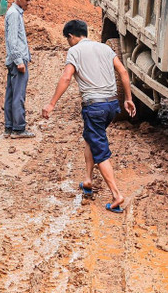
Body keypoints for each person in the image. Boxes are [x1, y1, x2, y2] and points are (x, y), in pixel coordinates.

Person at [42, 19, 136, 213]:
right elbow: (123, 72)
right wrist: (128, 98)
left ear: (71, 36)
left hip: (94, 107)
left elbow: (66, 77)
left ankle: (116, 195)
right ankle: (88, 179)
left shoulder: (74, 51)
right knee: (90, 138)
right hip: (111, 105)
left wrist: (51, 104)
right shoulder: (104, 48)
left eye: (67, 39)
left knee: (100, 150)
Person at [4, 0, 35, 139]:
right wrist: (19, 61)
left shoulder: (14, 13)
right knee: (18, 95)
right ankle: (19, 129)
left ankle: (9, 127)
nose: (29, 3)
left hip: (13, 60)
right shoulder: (15, 14)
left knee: (11, 95)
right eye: (27, 1)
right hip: (17, 61)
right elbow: (12, 40)